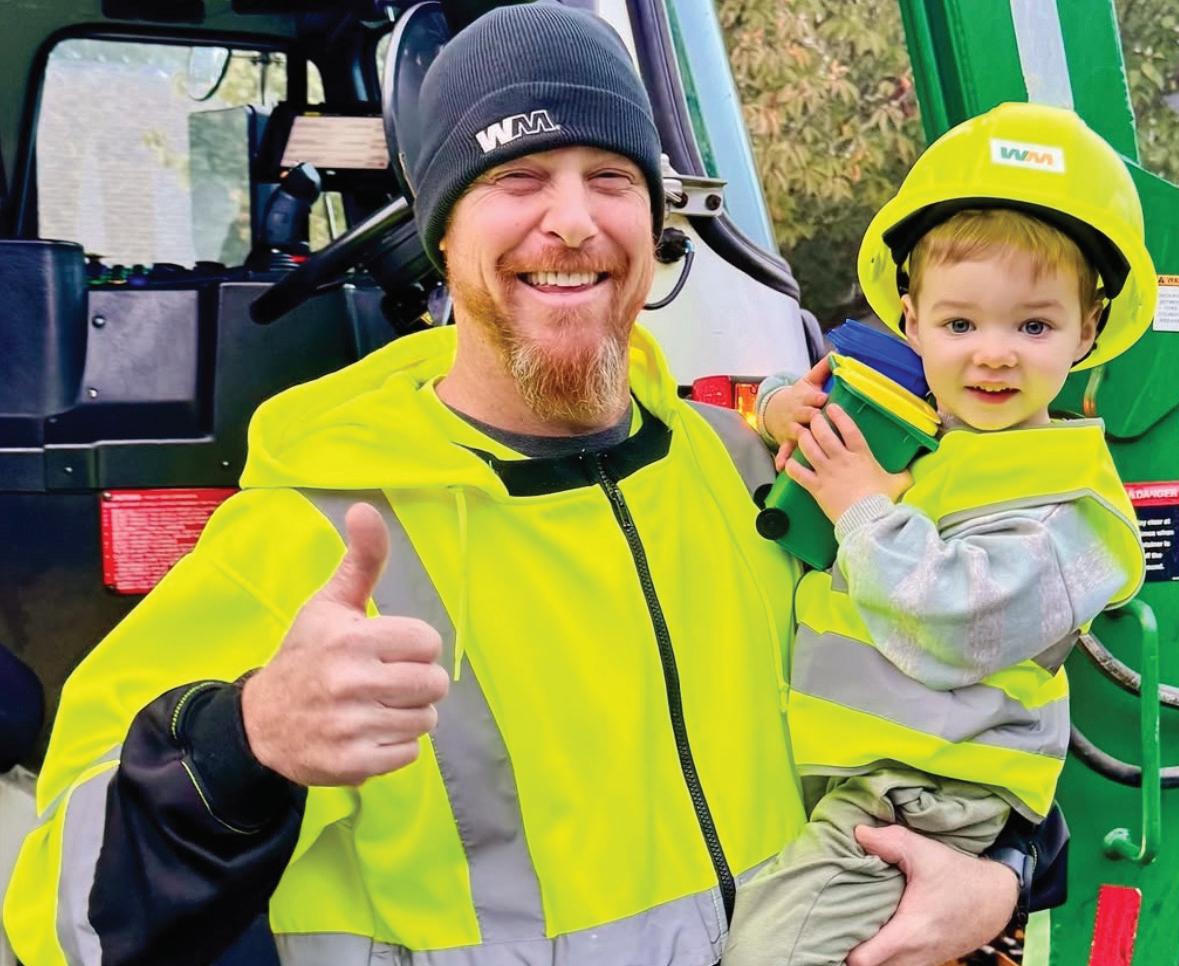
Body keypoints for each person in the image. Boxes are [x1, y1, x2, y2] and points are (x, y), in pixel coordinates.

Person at [5, 8, 1039, 965]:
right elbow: (62, 918)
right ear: (442, 233)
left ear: (655, 222)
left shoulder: (753, 477)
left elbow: (962, 690)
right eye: (517, 177)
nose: (573, 221)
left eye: (611, 178)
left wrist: (1005, 873)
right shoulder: (315, 534)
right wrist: (248, 741)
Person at [722, 102, 1157, 966]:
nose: (993, 354)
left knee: (771, 952)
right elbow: (786, 402)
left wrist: (861, 509)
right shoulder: (930, 435)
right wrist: (776, 407)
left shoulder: (1076, 510)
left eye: (1033, 326)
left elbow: (961, 622)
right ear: (910, 319)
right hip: (854, 778)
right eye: (961, 324)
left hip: (925, 797)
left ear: (1088, 329)